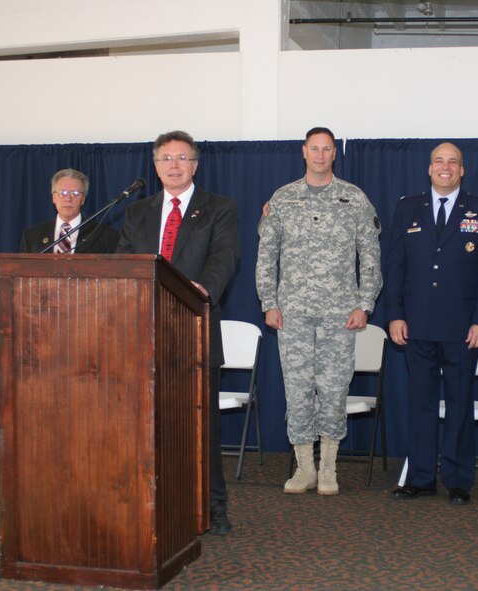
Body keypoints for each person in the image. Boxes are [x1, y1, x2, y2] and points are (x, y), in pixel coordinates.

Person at [116, 130, 240, 535]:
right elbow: (123, 266)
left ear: (195, 165)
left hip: (195, 327)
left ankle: (212, 508)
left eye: (182, 158)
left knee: (200, 427)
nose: (174, 165)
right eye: (166, 158)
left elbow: (225, 257)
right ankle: (150, 504)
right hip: (143, 332)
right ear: (155, 167)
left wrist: (200, 291)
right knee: (145, 424)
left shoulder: (219, 208)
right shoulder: (136, 213)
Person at [255, 127, 382, 496]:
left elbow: (370, 256)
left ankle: (328, 468)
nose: (321, 155)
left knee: (333, 389)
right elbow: (267, 256)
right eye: (315, 148)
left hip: (339, 314)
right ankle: (304, 468)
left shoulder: (354, 199)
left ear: (334, 155)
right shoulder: (283, 198)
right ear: (304, 152)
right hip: (292, 313)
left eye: (327, 149)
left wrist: (365, 303)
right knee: (296, 390)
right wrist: (269, 303)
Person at [385, 142, 478, 505]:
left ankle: (458, 478)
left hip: (462, 328)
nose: (446, 167)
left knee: (459, 402)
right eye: (439, 161)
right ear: (429, 168)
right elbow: (395, 266)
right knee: (420, 403)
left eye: (453, 162)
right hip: (416, 325)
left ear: (463, 170)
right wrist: (394, 313)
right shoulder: (407, 208)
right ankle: (420, 477)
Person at [19, 168, 119, 254]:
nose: (68, 198)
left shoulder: (105, 235)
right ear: (54, 197)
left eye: (75, 193)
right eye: (63, 193)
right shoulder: (32, 235)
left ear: (83, 199)